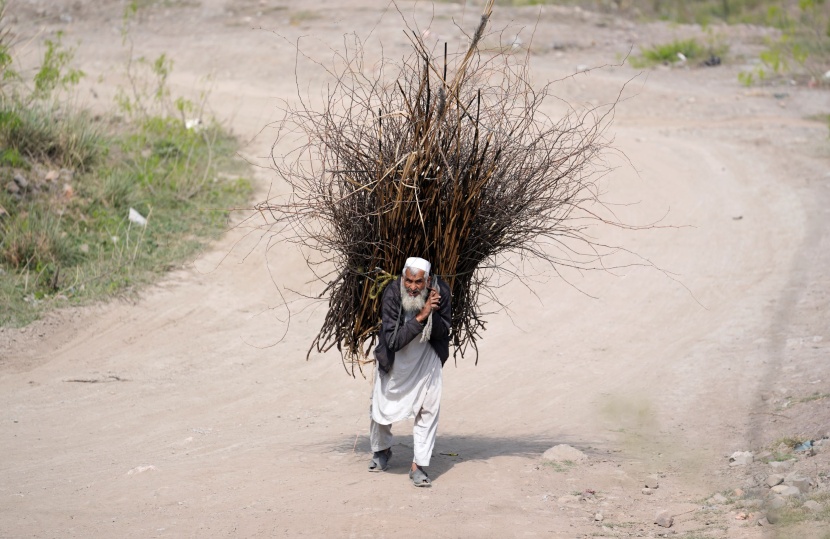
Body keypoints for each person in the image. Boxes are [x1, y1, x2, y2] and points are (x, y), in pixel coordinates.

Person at [368, 256, 452, 487]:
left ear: (428, 280)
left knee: (428, 409)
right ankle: (382, 450)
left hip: (426, 358)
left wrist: (432, 315)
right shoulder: (393, 293)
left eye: (418, 282)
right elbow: (393, 341)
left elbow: (445, 331)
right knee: (381, 405)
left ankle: (419, 465)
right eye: (409, 281)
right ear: (402, 277)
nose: (413, 287)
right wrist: (422, 315)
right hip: (395, 359)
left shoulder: (441, 291)